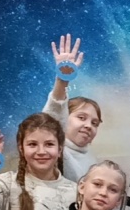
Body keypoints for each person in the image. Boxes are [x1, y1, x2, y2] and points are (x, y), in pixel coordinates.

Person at [40, 34, 102, 182]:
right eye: (81, 117)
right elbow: (52, 116)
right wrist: (62, 80)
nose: (88, 125)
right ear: (64, 118)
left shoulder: (93, 161)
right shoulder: (55, 149)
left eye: (95, 123)